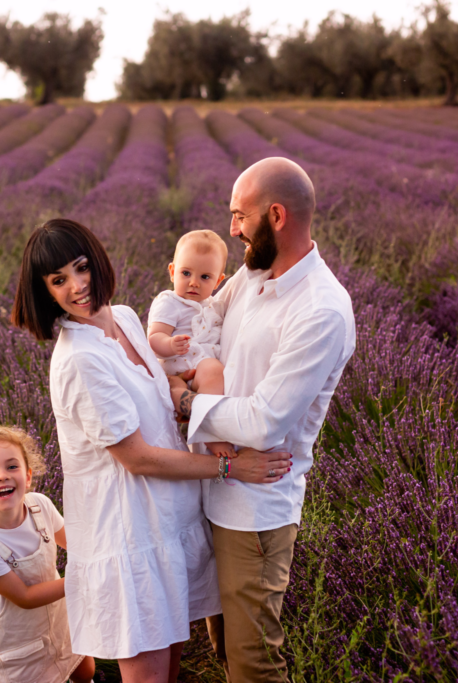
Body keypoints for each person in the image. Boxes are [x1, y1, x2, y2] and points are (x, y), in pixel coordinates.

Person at [10, 218, 292, 683]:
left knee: (171, 671)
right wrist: (230, 465)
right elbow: (136, 457)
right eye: (59, 280)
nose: (78, 287)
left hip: (166, 524)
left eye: (81, 268)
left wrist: (188, 402)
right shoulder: (80, 359)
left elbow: (161, 387)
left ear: (97, 261)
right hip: (130, 537)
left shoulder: (121, 317)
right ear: (45, 291)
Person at [169, 157, 357, 682]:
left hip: (254, 511)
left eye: (238, 215)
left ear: (275, 215)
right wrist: (201, 371)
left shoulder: (320, 309)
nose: (231, 229)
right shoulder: (252, 276)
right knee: (224, 646)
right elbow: (206, 317)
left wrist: (188, 404)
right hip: (210, 485)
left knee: (254, 661)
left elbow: (264, 423)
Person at [0, 421, 96, 683]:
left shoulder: (40, 506)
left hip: (60, 621)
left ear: (27, 477)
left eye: (12, 466)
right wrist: (83, 579)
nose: (2, 475)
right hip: (20, 652)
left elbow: (76, 544)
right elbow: (25, 596)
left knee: (84, 668)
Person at [147, 229, 234, 459]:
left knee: (214, 376)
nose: (193, 283)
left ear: (218, 281)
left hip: (199, 364)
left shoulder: (214, 305)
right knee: (214, 373)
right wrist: (169, 344)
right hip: (178, 362)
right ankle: (210, 431)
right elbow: (154, 337)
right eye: (186, 273)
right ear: (172, 272)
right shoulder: (169, 302)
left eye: (205, 277)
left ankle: (191, 410)